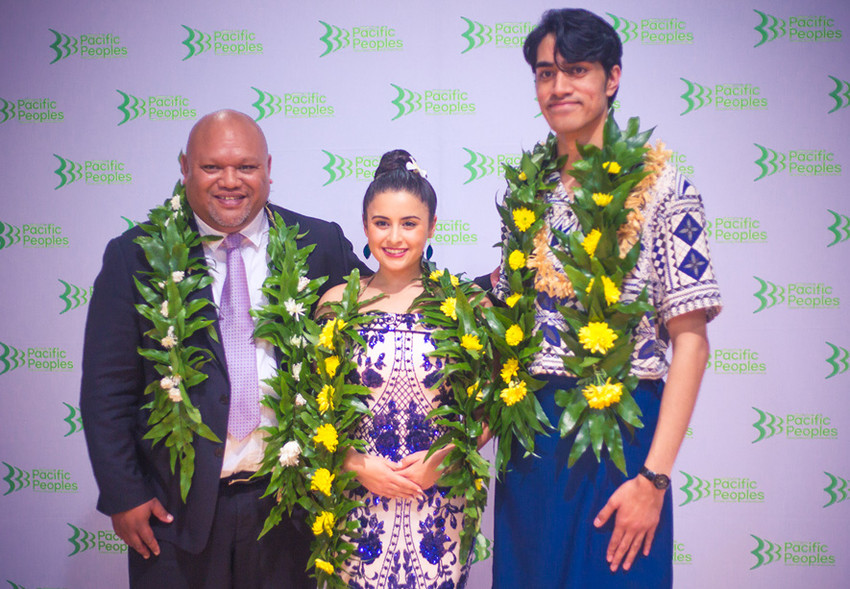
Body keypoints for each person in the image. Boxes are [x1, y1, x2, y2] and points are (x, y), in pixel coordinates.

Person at [80, 109, 370, 589]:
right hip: (175, 516)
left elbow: (385, 308)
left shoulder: (319, 244)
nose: (230, 182)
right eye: (212, 167)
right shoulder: (137, 256)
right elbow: (106, 388)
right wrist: (123, 492)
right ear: (185, 167)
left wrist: (482, 293)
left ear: (269, 169)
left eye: (247, 167)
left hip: (289, 511)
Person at [491, 9, 722, 588]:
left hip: (622, 442)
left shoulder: (665, 189)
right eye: (546, 73)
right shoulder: (526, 192)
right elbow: (505, 322)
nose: (559, 87)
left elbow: (691, 344)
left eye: (576, 70)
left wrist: (654, 480)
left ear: (612, 78)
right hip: (532, 443)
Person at [317, 150, 475, 588]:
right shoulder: (337, 303)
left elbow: (489, 408)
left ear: (432, 227)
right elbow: (311, 408)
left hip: (438, 502)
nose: (395, 237)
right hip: (358, 501)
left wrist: (441, 461)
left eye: (409, 223)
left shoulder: (463, 305)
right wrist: (353, 463)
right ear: (365, 226)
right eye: (381, 223)